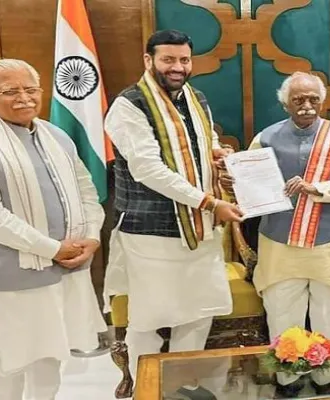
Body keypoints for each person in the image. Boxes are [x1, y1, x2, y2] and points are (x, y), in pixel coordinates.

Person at [0, 59, 106, 399]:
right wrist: (53, 249)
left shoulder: (55, 134)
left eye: (31, 89)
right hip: (12, 279)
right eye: (10, 91)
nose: (24, 98)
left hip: (65, 271)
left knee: (50, 358)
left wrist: (91, 236)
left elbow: (86, 189)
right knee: (9, 365)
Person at [103, 29, 243, 376]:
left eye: (184, 59)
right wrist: (210, 203)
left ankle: (183, 386)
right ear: (148, 60)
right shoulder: (129, 105)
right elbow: (148, 169)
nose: (177, 67)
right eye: (168, 59)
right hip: (151, 232)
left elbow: (203, 139)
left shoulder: (194, 97)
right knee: (150, 318)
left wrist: (218, 154)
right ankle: (146, 388)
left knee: (198, 312)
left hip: (198, 231)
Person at [245, 72, 330, 340]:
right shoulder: (265, 137)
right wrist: (234, 183)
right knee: (281, 313)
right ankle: (288, 378)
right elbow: (249, 185)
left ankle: (325, 379)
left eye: (313, 99)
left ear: (323, 101)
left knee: (329, 315)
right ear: (285, 103)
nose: (307, 106)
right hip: (279, 243)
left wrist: (316, 188)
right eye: (299, 100)